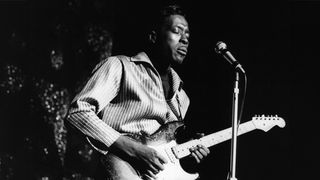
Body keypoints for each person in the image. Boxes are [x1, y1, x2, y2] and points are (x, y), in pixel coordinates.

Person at [67, 3, 210, 180]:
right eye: (177, 31)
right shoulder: (120, 66)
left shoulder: (182, 96)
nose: (185, 39)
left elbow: (163, 147)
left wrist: (187, 151)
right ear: (153, 36)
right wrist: (134, 150)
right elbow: (78, 112)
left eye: (187, 34)